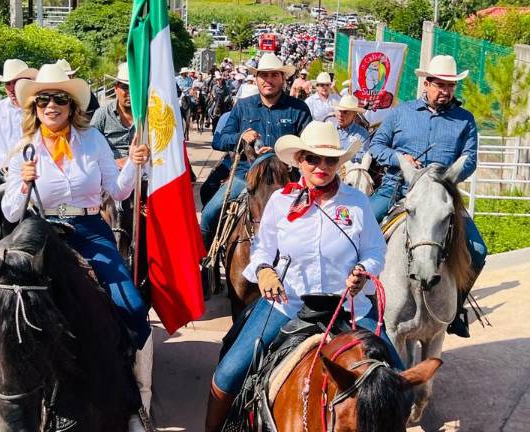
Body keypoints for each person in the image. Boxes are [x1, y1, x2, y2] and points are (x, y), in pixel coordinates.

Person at [205, 121, 400, 431]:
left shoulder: (358, 203)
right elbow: (262, 251)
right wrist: (265, 271)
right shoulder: (280, 203)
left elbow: (375, 252)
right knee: (228, 373)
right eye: (313, 159)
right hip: (288, 304)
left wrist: (363, 271)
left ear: (339, 162)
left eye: (330, 160)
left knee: (401, 384)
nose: (321, 167)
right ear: (299, 160)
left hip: (348, 308)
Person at [1, 63, 151, 349]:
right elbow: (10, 212)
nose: (51, 106)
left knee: (132, 306)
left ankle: (134, 377)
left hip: (89, 228)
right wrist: (23, 184)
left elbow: (118, 192)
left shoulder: (92, 139)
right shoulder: (24, 147)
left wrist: (133, 162)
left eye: (59, 99)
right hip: (38, 229)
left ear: (71, 106)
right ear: (35, 106)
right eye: (43, 99)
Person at [368, 55, 486, 338]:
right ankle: (359, 307)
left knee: (478, 251)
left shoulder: (465, 120)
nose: (445, 90)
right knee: (357, 230)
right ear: (427, 83)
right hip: (397, 189)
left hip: (442, 197)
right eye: (440, 84)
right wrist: (400, 158)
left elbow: (469, 159)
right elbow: (376, 145)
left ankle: (454, 310)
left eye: (451, 85)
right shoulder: (401, 113)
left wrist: (448, 175)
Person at [201, 53, 311, 249]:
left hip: (287, 179)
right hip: (245, 175)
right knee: (210, 213)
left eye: (274, 75)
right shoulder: (243, 106)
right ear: (257, 78)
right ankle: (205, 265)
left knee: (315, 221)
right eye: (263, 75)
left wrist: (286, 154)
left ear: (282, 78)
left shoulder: (299, 109)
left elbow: (310, 148)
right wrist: (240, 137)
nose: (268, 80)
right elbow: (219, 141)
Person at [91, 63, 135, 168]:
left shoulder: (148, 115)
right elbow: (90, 146)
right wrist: (115, 162)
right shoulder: (103, 114)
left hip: (143, 174)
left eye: (134, 87)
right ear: (116, 88)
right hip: (111, 173)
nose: (130, 92)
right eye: (125, 87)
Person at [327, 94, 370, 162]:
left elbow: (361, 157)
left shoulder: (363, 134)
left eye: (345, 112)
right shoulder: (329, 129)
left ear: (354, 114)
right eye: (339, 111)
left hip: (349, 170)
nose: (340, 115)